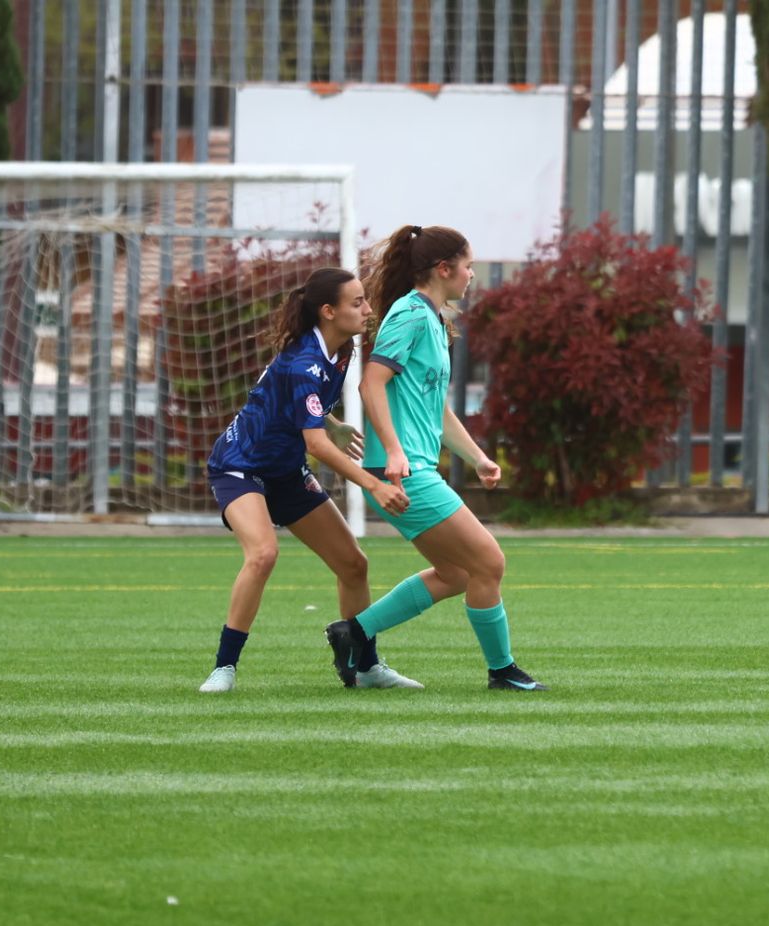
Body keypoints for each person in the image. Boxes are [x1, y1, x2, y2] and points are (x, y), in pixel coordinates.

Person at [324, 224, 547, 691]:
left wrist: (478, 457)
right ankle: (502, 671)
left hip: (411, 466)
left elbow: (435, 409)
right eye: (468, 266)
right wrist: (396, 452)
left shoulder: (432, 318)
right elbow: (371, 384)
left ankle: (354, 632)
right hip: (403, 471)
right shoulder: (408, 314)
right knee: (490, 562)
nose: (471, 275)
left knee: (458, 573)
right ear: (444, 269)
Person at [200, 267, 420, 692]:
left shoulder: (341, 350)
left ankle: (366, 666)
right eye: (357, 302)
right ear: (328, 312)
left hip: (284, 472)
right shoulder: (304, 361)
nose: (368, 309)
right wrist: (373, 484)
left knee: (353, 564)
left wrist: (332, 422)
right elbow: (316, 446)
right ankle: (224, 668)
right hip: (239, 466)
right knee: (263, 554)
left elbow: (305, 410)